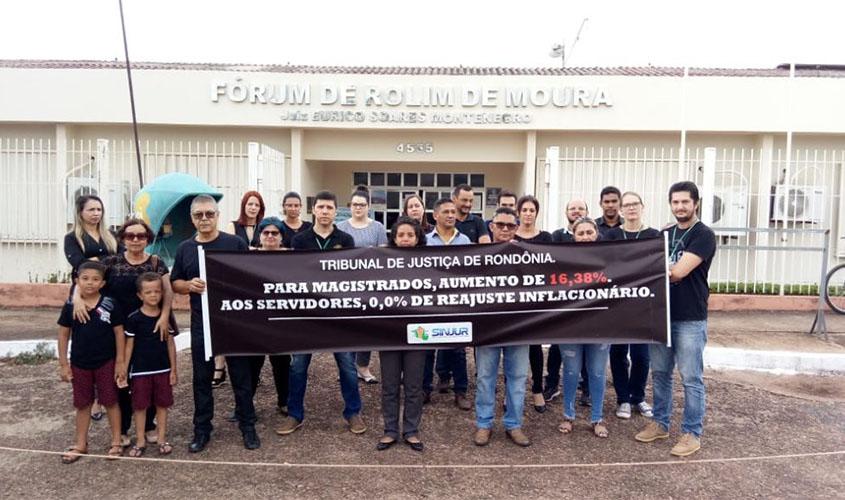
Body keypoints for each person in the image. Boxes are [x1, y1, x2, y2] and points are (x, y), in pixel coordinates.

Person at [72, 218, 174, 448]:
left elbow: (167, 292)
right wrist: (77, 297)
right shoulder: (110, 262)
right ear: (123, 239)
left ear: (148, 239)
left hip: (149, 328)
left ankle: (148, 426)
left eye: (141, 235)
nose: (136, 239)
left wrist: (165, 316)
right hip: (116, 329)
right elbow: (83, 275)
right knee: (121, 377)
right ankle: (125, 428)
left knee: (148, 376)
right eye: (130, 235)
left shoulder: (157, 263)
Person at [171, 194, 260, 452]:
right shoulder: (185, 248)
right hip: (202, 323)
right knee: (202, 379)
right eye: (199, 215)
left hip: (233, 323)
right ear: (192, 219)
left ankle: (248, 426)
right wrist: (189, 285)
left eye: (209, 214)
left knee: (241, 377)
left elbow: (252, 275)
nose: (204, 219)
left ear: (217, 215)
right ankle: (202, 430)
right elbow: (175, 282)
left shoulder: (234, 243)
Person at [636, 181, 716, 457]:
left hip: (690, 317)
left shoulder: (703, 235)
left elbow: (679, 271)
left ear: (695, 204)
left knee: (691, 377)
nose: (680, 207)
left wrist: (652, 269)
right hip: (661, 314)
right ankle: (660, 423)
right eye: (675, 202)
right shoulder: (665, 233)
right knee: (660, 373)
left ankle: (692, 433)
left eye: (685, 202)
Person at [276, 191, 366, 436]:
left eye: (329, 207)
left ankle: (353, 412)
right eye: (321, 207)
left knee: (347, 366)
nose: (325, 211)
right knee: (298, 366)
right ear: (313, 210)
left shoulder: (345, 239)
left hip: (337, 315)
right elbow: (295, 274)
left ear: (336, 212)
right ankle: (295, 414)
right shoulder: (300, 240)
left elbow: (350, 276)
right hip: (307, 315)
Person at [473, 207, 531, 447]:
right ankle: (483, 424)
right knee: (485, 377)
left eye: (510, 225)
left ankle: (513, 425)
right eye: (500, 225)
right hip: (488, 327)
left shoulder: (527, 254)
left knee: (517, 379)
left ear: (517, 228)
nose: (505, 229)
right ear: (491, 226)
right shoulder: (478, 255)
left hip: (519, 327)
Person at [57, 261, 126, 463]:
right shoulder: (70, 306)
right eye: (85, 278)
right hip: (79, 363)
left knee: (111, 402)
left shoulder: (110, 304)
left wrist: (120, 361)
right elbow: (63, 334)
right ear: (77, 281)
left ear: (102, 283)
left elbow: (119, 332)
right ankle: (80, 444)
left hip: (106, 362)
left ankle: (116, 442)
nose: (90, 283)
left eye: (95, 279)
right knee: (82, 404)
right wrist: (63, 364)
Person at [63, 194, 121, 422]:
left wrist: (99, 260)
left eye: (99, 209)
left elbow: (120, 259)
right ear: (80, 213)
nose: (96, 213)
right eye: (91, 209)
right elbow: (80, 264)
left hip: (110, 293)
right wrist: (101, 261)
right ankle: (95, 399)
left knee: (109, 343)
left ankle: (109, 393)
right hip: (84, 294)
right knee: (88, 341)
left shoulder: (111, 235)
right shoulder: (72, 238)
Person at [606, 192, 660, 420]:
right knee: (618, 353)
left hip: (643, 305)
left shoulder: (654, 235)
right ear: (621, 210)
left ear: (642, 206)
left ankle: (638, 396)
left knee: (641, 355)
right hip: (618, 304)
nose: (631, 208)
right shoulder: (611, 235)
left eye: (635, 204)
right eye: (626, 205)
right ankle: (623, 399)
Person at [376, 217, 428, 452]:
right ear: (394, 238)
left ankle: (411, 430)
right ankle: (390, 430)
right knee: (389, 385)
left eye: (410, 235)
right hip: (389, 332)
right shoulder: (381, 263)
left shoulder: (430, 263)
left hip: (418, 332)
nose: (406, 239)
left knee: (414, 386)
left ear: (417, 238)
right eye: (401, 235)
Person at [557, 217, 611, 439]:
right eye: (581, 233)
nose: (586, 237)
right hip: (570, 326)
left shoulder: (609, 259)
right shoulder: (563, 260)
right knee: (571, 371)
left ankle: (597, 418)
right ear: (573, 236)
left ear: (596, 234)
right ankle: (568, 415)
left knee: (597, 372)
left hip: (601, 325)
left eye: (589, 232)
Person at [424, 198, 472, 411]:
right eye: (446, 211)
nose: (451, 215)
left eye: (453, 211)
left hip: (456, 303)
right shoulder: (425, 241)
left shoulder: (465, 241)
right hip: (429, 303)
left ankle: (461, 391)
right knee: (426, 348)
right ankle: (425, 389)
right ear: (435, 215)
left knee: (458, 350)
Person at [122, 272, 177, 458]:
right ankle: (140, 440)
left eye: (157, 291)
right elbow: (129, 346)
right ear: (140, 295)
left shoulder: (165, 318)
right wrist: (124, 369)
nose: (153, 295)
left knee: (162, 405)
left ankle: (162, 439)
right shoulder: (133, 319)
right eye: (148, 292)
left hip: (163, 369)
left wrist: (174, 370)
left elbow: (170, 344)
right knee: (140, 406)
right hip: (140, 371)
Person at [338, 187, 388, 385]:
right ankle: (347, 367)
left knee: (367, 326)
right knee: (348, 326)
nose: (358, 208)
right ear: (350, 206)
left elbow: (384, 255)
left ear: (368, 206)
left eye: (362, 205)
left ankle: (363, 366)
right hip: (346, 285)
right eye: (355, 204)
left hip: (370, 285)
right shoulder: (340, 227)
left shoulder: (378, 227)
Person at [217, 191, 266, 389]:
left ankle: (254, 372)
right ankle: (220, 367)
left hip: (257, 282)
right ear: (243, 206)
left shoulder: (264, 227)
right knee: (228, 324)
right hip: (236, 281)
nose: (253, 208)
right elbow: (228, 252)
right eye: (250, 204)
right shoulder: (233, 226)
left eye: (256, 205)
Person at [548, 198, 591, 406]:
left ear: (587, 211)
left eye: (580, 208)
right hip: (564, 301)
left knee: (589, 345)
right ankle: (552, 384)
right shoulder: (557, 236)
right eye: (572, 208)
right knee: (557, 347)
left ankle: (587, 390)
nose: (576, 211)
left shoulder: (594, 236)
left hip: (590, 302)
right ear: (566, 212)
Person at [513, 195, 554, 413]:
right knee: (512, 345)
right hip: (513, 299)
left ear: (536, 213)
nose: (528, 213)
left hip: (537, 298)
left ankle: (537, 389)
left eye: (532, 210)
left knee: (535, 346)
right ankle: (512, 391)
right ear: (518, 212)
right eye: (525, 210)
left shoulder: (546, 237)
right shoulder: (510, 237)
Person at [251, 216, 291, 416]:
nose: (270, 236)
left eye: (275, 233)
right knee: (252, 364)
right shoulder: (246, 259)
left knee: (282, 363)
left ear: (281, 237)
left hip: (280, 320)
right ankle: (245, 404)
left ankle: (284, 401)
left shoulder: (292, 259)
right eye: (266, 232)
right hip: (254, 320)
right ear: (259, 236)